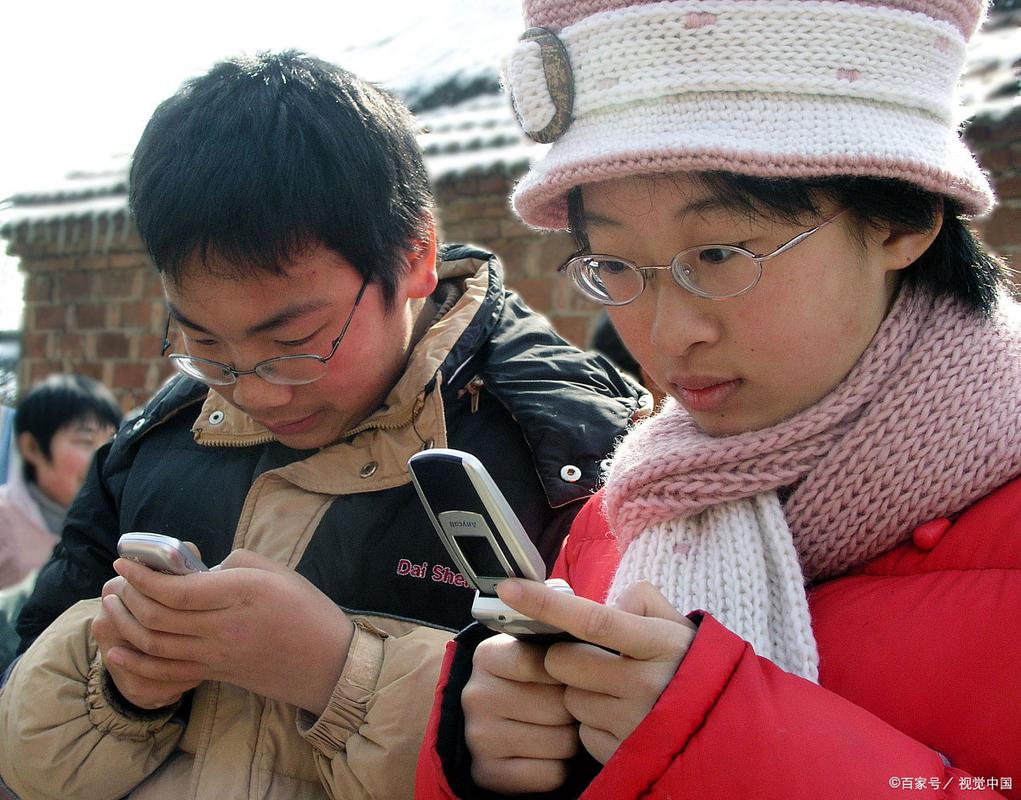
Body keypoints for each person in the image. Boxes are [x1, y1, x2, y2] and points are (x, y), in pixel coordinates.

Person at [0, 51, 647, 799]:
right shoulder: (154, 443)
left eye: (294, 343)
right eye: (205, 346)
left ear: (415, 257)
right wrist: (122, 688)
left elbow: (623, 757)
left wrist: (341, 674)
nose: (255, 392)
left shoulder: (574, 455)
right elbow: (19, 729)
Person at [417, 1, 1021, 797]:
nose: (668, 335)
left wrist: (719, 737)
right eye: (614, 265)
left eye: (719, 253)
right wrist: (491, 753)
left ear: (900, 219)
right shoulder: (632, 504)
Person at [0, 374, 121, 670]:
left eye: (111, 441)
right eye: (85, 441)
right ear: (32, 447)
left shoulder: (103, 528)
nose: (102, 456)